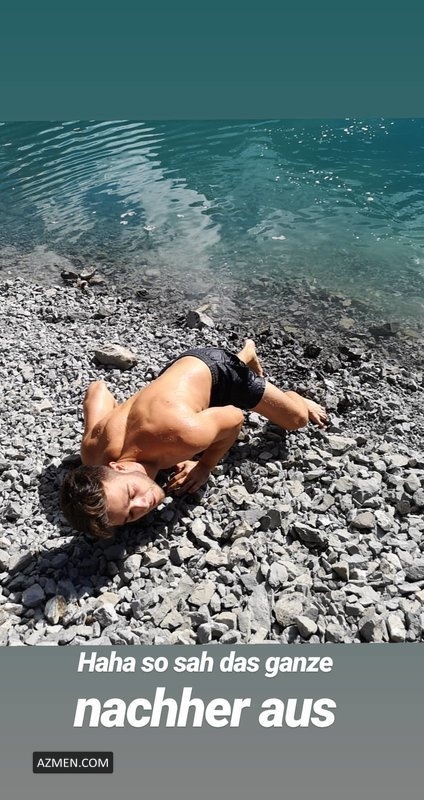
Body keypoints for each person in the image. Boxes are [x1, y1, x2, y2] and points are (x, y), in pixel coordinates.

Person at [60, 340, 327, 538]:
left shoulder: (182, 437)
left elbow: (234, 418)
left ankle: (287, 389)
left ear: (116, 467)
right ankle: (245, 355)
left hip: (220, 371)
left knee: (297, 420)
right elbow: (97, 390)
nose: (143, 504)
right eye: (130, 515)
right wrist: (119, 419)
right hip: (176, 370)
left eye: (131, 493)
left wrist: (204, 466)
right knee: (192, 408)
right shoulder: (92, 454)